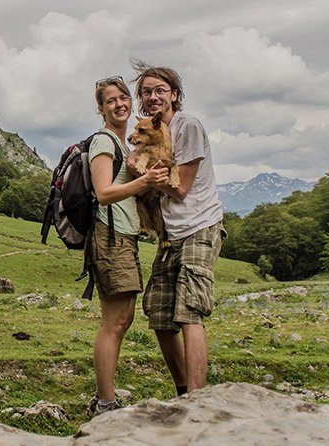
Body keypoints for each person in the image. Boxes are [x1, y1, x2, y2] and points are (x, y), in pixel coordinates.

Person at [130, 60, 225, 396]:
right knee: (158, 312)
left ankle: (198, 400)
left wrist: (146, 177)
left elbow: (180, 188)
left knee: (189, 311)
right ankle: (184, 391)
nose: (153, 96)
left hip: (199, 225)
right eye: (146, 92)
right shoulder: (151, 133)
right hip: (170, 235)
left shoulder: (188, 126)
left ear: (174, 94)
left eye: (160, 90)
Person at [86, 76, 169, 417]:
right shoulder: (104, 142)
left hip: (122, 236)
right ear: (101, 108)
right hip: (109, 236)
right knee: (114, 322)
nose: (119, 104)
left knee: (122, 318)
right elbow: (103, 192)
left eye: (123, 98)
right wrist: (145, 181)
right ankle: (105, 403)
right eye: (111, 101)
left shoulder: (124, 143)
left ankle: (105, 399)